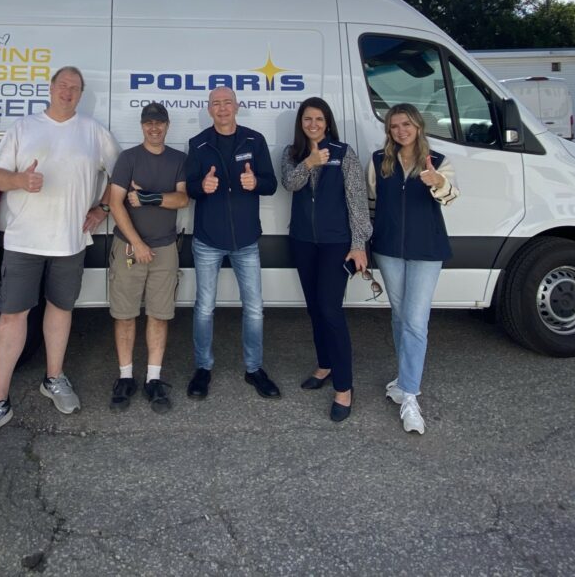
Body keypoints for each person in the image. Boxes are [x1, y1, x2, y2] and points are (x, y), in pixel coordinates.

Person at [0, 66, 120, 444]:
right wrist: (19, 180)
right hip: (24, 240)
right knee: (12, 316)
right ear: (50, 88)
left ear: (81, 94)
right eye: (63, 85)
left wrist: (102, 209)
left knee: (61, 309)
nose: (68, 92)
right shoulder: (24, 127)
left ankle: (53, 379)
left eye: (75, 87)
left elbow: (119, 174)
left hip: (69, 240)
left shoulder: (94, 132)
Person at [367, 103, 459, 435]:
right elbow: (371, 203)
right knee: (400, 316)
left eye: (406, 124)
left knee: (416, 321)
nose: (401, 131)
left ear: (418, 126)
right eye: (394, 126)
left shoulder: (439, 161)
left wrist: (435, 181)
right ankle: (403, 379)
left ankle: (409, 396)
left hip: (427, 251)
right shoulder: (379, 161)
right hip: (389, 249)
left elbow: (450, 197)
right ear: (389, 131)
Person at [184, 86, 279, 400]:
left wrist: (256, 183)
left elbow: (271, 184)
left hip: (246, 240)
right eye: (216, 103)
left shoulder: (254, 140)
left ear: (237, 106)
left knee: (254, 310)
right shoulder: (198, 144)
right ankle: (202, 368)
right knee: (204, 309)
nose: (222, 108)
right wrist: (202, 185)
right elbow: (190, 191)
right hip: (208, 241)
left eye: (227, 102)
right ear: (208, 109)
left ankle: (254, 369)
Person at [281, 97, 372, 422]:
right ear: (301, 123)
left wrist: (359, 243)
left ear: (328, 122)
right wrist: (309, 162)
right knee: (314, 308)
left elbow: (357, 202)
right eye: (307, 119)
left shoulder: (344, 154)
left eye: (319, 119)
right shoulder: (292, 155)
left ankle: (344, 388)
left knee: (331, 310)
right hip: (304, 241)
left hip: (337, 243)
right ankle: (325, 365)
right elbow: (289, 183)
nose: (313, 124)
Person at [106, 102, 188, 413]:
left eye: (160, 123)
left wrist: (148, 198)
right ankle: (125, 377)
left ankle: (154, 379)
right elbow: (116, 203)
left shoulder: (178, 160)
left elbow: (182, 198)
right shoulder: (128, 159)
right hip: (129, 247)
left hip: (166, 248)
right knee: (125, 315)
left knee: (159, 315)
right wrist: (137, 243)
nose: (154, 128)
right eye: (148, 123)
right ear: (142, 126)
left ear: (167, 126)